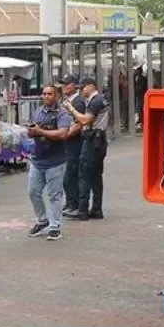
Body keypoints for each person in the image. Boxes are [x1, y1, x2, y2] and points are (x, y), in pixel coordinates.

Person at [26, 85, 71, 241]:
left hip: (55, 161)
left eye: (50, 94)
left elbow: (63, 133)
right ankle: (42, 220)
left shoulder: (62, 114)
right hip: (37, 160)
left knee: (54, 195)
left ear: (56, 96)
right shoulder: (37, 112)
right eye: (44, 94)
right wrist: (30, 132)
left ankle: (55, 226)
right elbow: (32, 129)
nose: (46, 96)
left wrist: (41, 132)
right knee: (33, 192)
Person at [62, 77, 109, 221]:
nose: (81, 90)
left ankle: (82, 209)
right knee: (95, 176)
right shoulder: (100, 100)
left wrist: (71, 109)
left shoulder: (95, 102)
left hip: (92, 140)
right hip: (99, 139)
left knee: (84, 174)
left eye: (83, 87)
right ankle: (96, 208)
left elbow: (84, 120)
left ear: (91, 86)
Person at [60, 75, 86, 215]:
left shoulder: (78, 102)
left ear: (74, 85)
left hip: (75, 144)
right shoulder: (65, 101)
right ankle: (70, 202)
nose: (64, 87)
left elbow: (78, 124)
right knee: (67, 175)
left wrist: (63, 135)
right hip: (67, 143)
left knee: (71, 174)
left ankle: (74, 204)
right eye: (63, 84)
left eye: (67, 84)